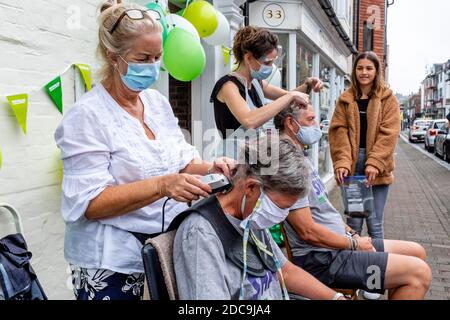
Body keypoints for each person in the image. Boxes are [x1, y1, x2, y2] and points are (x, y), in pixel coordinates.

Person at [54, 0, 232, 300]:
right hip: (112, 263)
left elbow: (181, 160)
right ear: (113, 56)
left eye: (157, 57)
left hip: (161, 250)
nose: (152, 66)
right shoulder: (87, 116)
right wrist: (162, 185)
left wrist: (213, 168)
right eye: (143, 57)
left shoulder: (156, 103)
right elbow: (89, 203)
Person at [273, 103, 431, 300]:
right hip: (323, 259)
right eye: (310, 120)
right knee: (419, 274)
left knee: (417, 252)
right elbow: (308, 231)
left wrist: (351, 233)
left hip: (338, 247)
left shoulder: (301, 157)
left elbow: (323, 213)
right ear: (291, 123)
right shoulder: (286, 162)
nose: (316, 126)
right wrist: (354, 244)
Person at [173, 137, 346, 300]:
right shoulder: (201, 234)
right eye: (281, 207)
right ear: (250, 187)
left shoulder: (251, 215)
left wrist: (336, 297)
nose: (281, 217)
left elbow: (284, 271)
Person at [328, 51, 400, 240]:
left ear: (376, 71)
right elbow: (338, 131)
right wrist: (342, 162)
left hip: (378, 166)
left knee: (375, 223)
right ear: (354, 71)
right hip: (351, 165)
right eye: (360, 68)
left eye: (369, 68)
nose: (364, 72)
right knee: (354, 222)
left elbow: (389, 133)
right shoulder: (345, 100)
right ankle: (354, 265)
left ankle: (377, 265)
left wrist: (375, 162)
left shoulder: (388, 99)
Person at [210, 26, 323, 139]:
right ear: (249, 58)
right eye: (267, 62)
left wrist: (308, 84)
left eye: (273, 62)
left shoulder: (257, 84)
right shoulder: (228, 86)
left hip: (253, 151)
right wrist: (291, 96)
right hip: (232, 154)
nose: (271, 67)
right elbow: (249, 120)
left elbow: (287, 96)